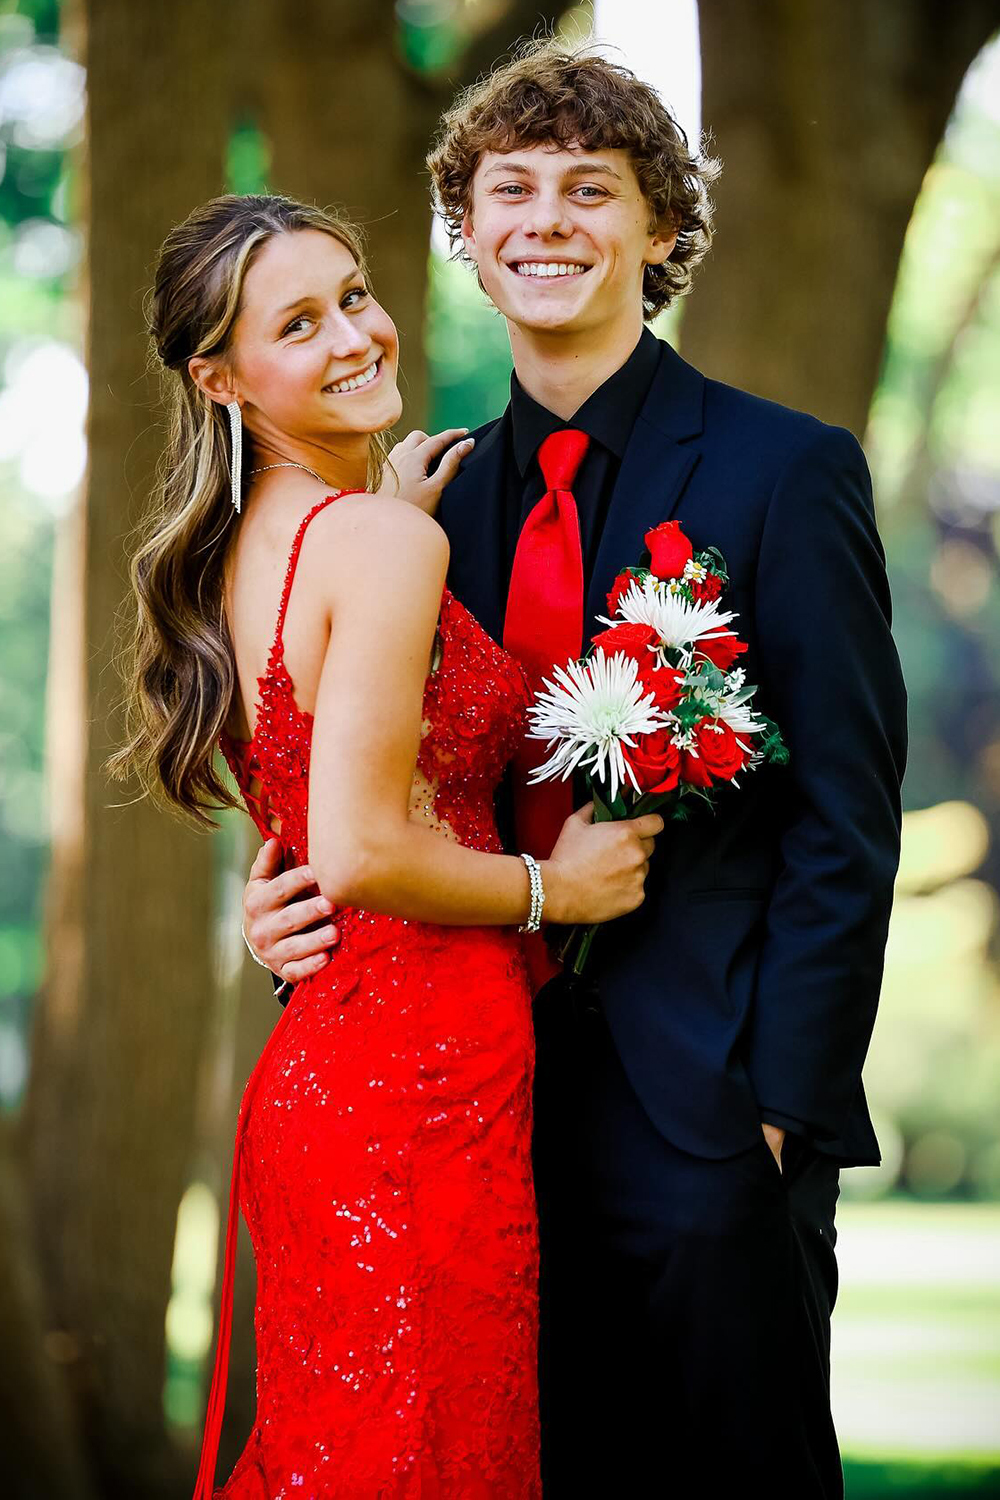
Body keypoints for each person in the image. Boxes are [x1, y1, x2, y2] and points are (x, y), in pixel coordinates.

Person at [245, 43, 909, 1498]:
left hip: (709, 1114)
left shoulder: (785, 471)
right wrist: (281, 909)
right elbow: (368, 793)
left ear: (661, 228)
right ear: (469, 234)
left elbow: (846, 821)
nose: (547, 219)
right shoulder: (423, 501)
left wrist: (777, 1114)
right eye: (512, 189)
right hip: (469, 1118)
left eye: (590, 189)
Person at [108, 192, 664, 1498]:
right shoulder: (378, 543)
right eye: (299, 324)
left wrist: (381, 502)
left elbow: (323, 809)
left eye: (354, 294)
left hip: (347, 1071)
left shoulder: (266, 545)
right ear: (222, 377)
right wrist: (553, 884)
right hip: (416, 1097)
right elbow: (355, 851)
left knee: (361, 1451)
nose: (358, 335)